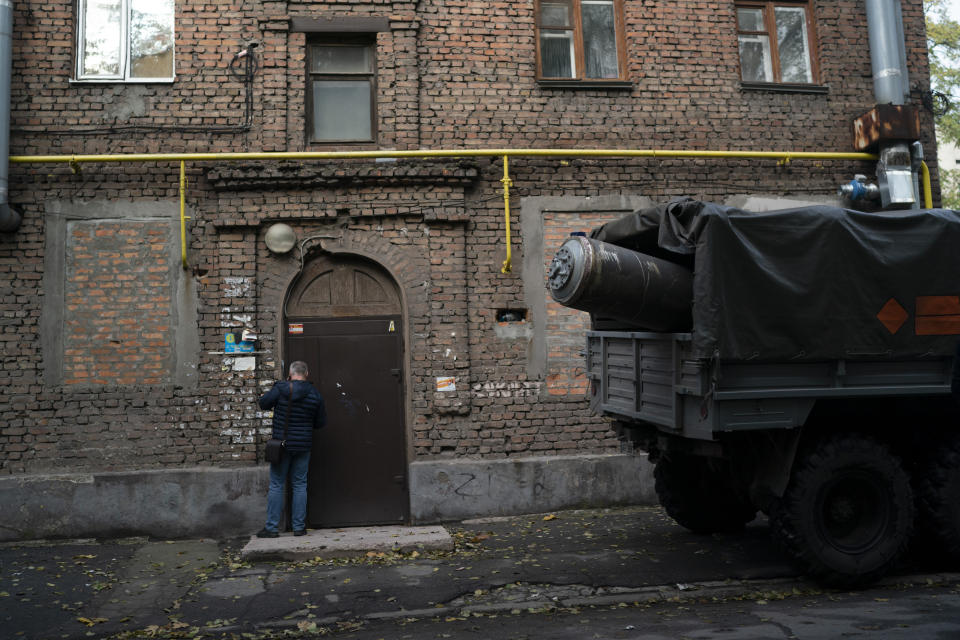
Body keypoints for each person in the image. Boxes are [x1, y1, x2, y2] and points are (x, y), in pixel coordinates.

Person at [257, 360, 327, 538]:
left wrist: (278, 387)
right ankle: (299, 527)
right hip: (303, 446)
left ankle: (272, 528)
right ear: (307, 374)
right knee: (300, 484)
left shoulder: (281, 389)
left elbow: (263, 403)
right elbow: (320, 423)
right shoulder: (315, 394)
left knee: (277, 484)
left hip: (282, 445)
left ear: (290, 373)